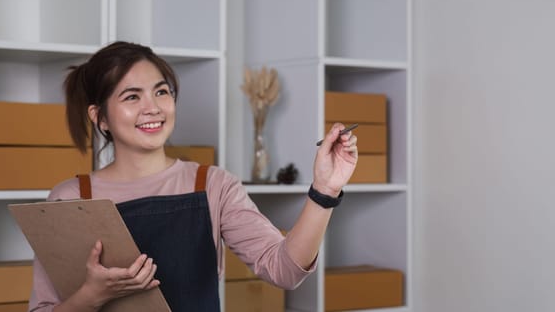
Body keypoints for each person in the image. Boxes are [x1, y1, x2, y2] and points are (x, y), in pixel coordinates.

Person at [28, 41, 358, 312]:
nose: (153, 107)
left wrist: (324, 190)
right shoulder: (70, 199)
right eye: (132, 96)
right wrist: (92, 295)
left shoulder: (213, 185)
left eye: (161, 92)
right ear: (99, 117)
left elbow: (284, 270)